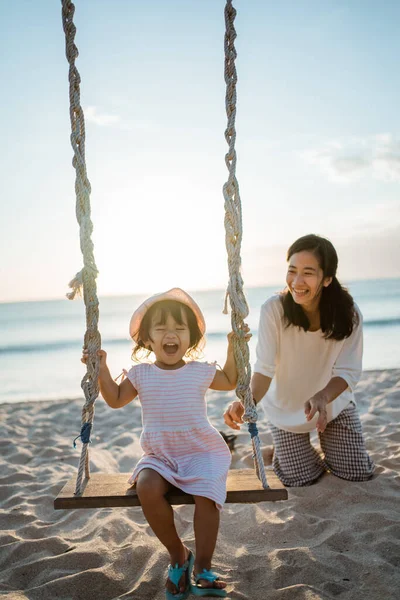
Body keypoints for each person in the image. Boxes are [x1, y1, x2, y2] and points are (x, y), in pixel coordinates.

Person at [82, 288, 250, 599]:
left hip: (200, 450)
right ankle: (178, 554)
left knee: (207, 494)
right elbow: (116, 399)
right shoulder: (141, 374)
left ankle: (202, 566)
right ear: (146, 340)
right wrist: (101, 367)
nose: (170, 334)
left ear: (192, 339)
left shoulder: (200, 371)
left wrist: (233, 345)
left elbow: (229, 380)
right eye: (160, 328)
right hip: (160, 455)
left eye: (179, 328)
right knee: (146, 486)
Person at [223, 234, 374, 487]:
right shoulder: (274, 309)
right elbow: (265, 368)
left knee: (356, 473)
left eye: (308, 273)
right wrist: (245, 402)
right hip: (286, 408)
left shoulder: (349, 314)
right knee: (300, 478)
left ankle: (313, 449)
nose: (297, 281)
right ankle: (282, 452)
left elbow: (348, 371)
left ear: (327, 279)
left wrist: (322, 397)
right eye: (292, 270)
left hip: (332, 404)